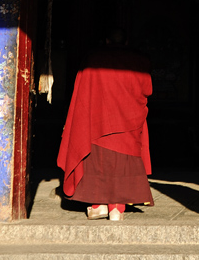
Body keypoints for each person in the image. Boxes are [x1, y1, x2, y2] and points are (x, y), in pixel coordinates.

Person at [57, 28, 153, 221]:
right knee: (123, 164)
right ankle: (117, 208)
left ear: (107, 41)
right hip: (128, 123)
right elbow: (147, 90)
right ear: (126, 42)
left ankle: (98, 205)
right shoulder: (139, 61)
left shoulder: (93, 61)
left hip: (96, 124)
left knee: (97, 162)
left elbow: (80, 93)